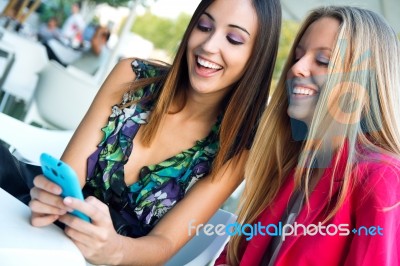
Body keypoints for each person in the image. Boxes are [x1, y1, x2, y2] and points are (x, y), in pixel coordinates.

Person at [0, 0, 282, 265]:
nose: (208, 45)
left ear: (257, 58)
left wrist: (113, 248)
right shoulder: (132, 77)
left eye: (233, 39)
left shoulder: (238, 147)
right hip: (43, 240)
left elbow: (164, 244)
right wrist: (50, 198)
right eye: (204, 27)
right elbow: (68, 177)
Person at [216, 6, 400, 266]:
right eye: (298, 56)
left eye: (323, 61)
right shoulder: (289, 165)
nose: (297, 68)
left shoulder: (381, 177)